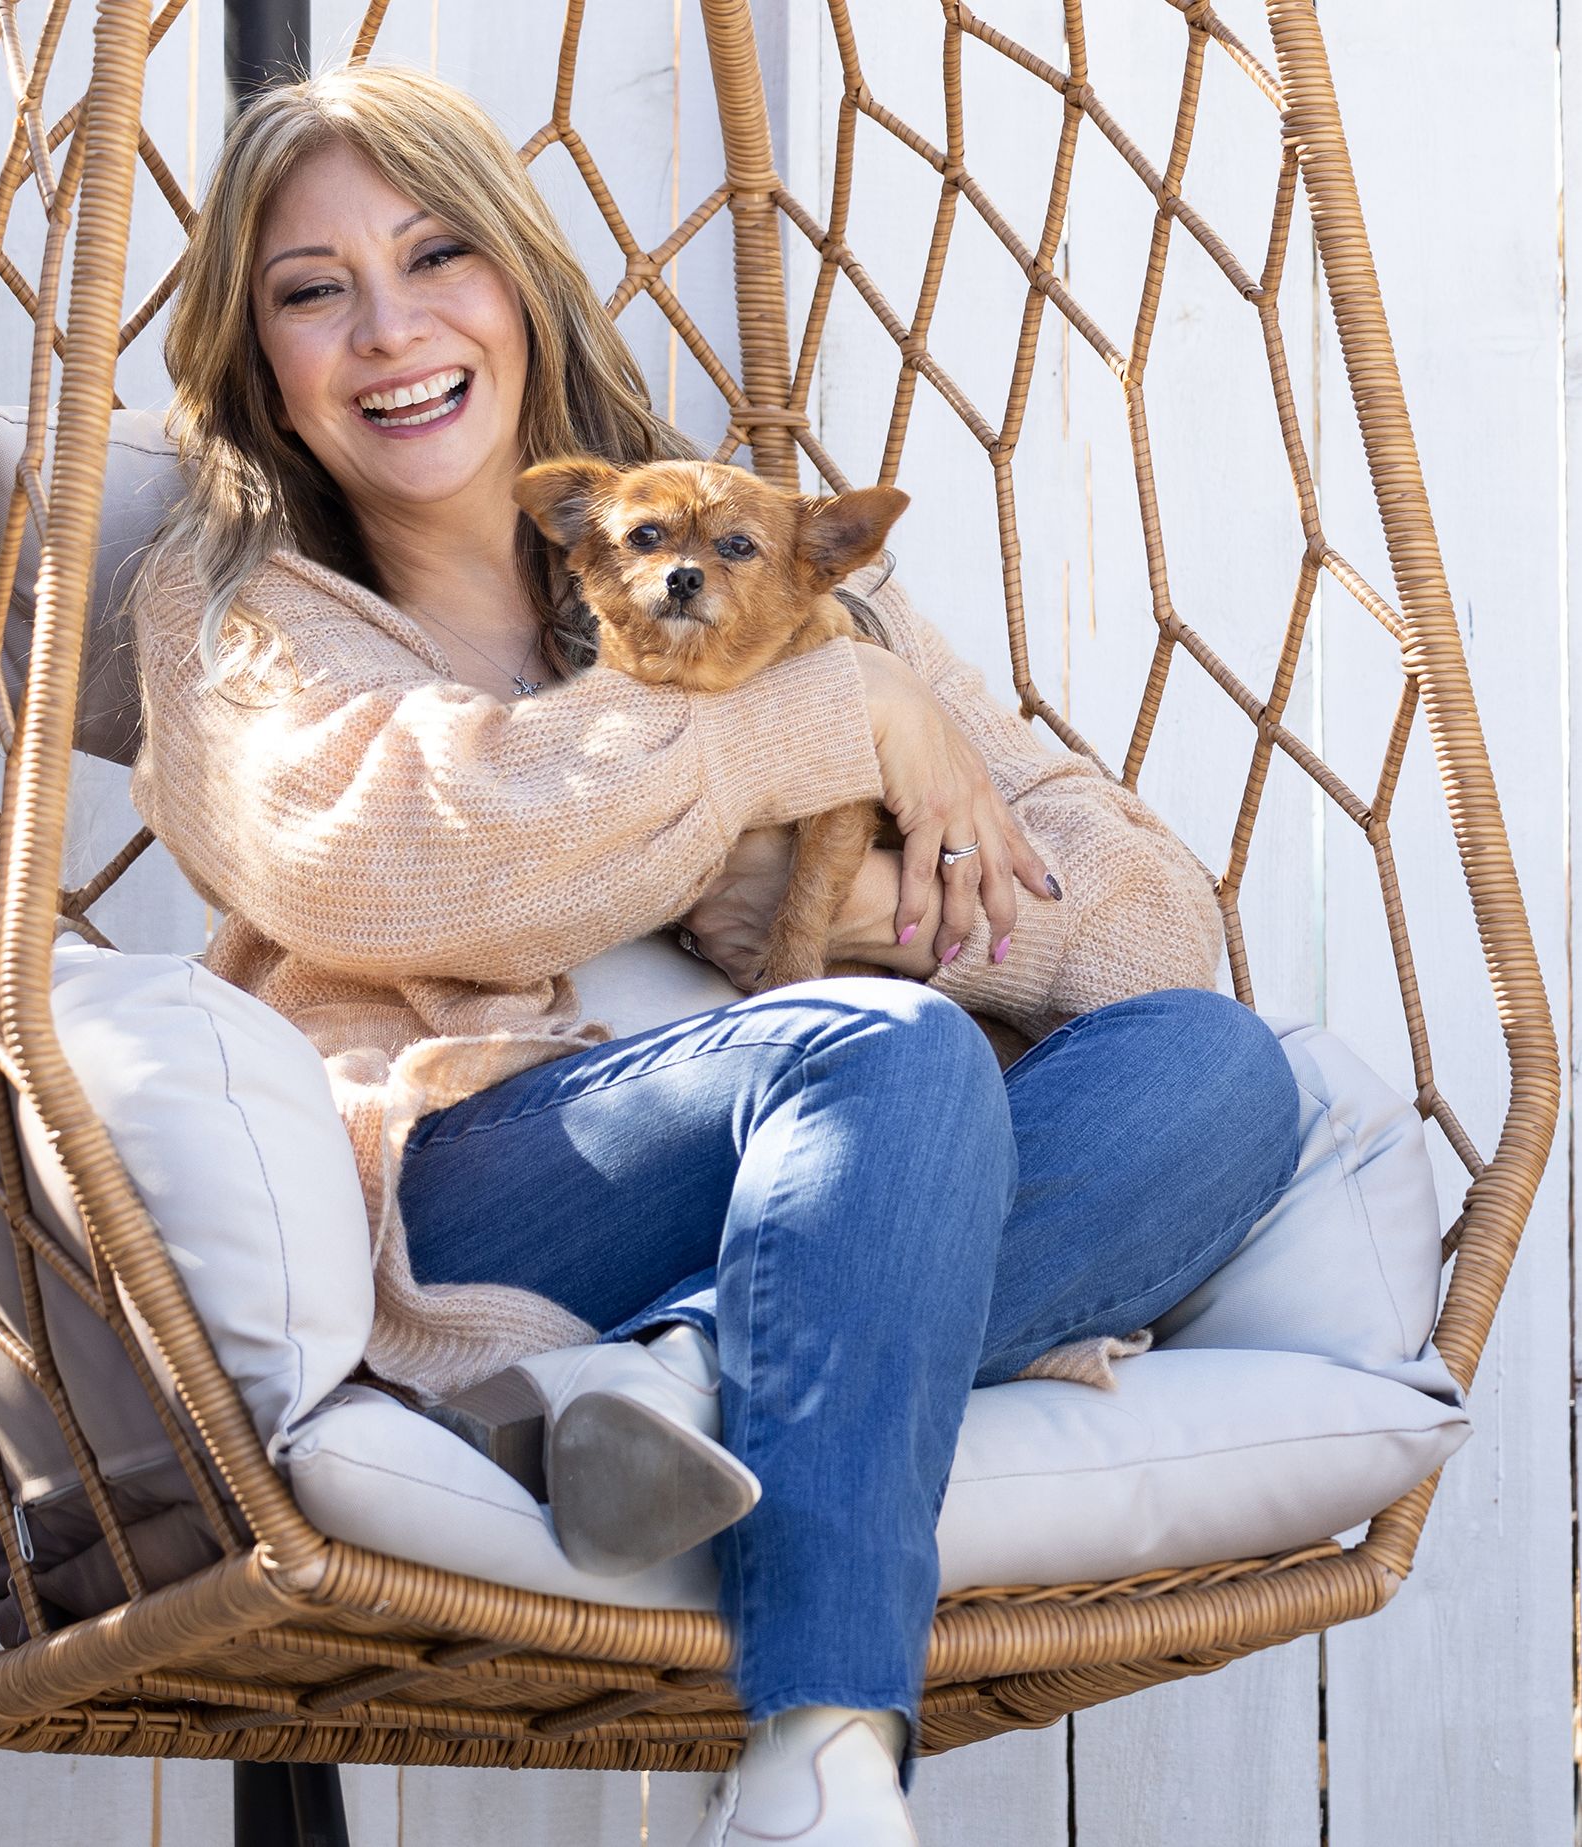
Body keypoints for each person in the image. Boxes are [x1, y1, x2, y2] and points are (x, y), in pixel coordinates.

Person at [126, 64, 1300, 1847]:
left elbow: (1145, 911)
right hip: (494, 1179)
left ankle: (668, 1401)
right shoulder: (243, 609)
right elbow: (405, 866)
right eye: (311, 289)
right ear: (261, 353)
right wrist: (824, 725)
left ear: (520, 283)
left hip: (813, 1164)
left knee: (1220, 1073)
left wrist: (884, 915)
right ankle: (826, 1732)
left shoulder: (807, 579)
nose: (388, 328)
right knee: (879, 1056)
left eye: (438, 254)